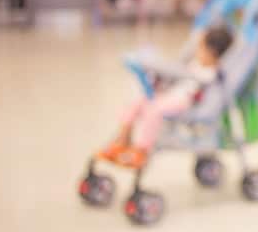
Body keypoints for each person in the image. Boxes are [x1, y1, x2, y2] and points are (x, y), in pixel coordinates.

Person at [99, 26, 234, 168]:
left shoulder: (210, 72)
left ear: (212, 53)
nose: (197, 51)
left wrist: (166, 70)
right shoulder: (197, 64)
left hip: (184, 101)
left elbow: (186, 76)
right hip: (172, 94)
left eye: (201, 48)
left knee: (154, 109)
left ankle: (141, 151)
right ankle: (123, 139)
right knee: (138, 103)